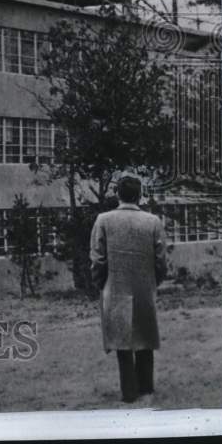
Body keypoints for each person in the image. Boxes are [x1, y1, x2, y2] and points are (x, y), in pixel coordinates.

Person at [89, 173, 168, 403]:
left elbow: (97, 259)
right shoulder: (153, 221)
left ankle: (129, 392)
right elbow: (161, 260)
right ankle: (146, 388)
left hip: (115, 287)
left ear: (117, 194)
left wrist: (101, 284)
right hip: (144, 287)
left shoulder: (103, 220)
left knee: (122, 342)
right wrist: (154, 282)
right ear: (140, 195)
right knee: (145, 337)